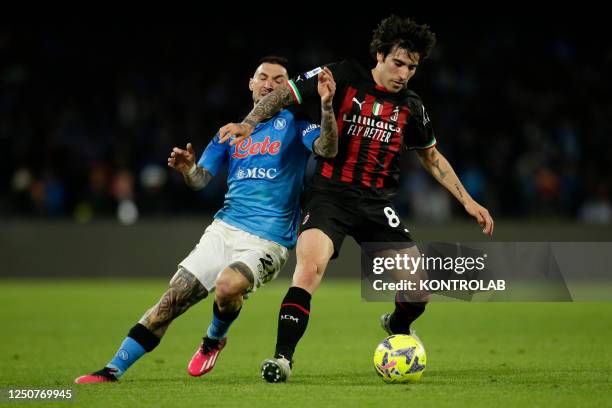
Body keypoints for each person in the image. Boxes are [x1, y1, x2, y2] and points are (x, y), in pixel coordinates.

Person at [218, 16, 494, 383]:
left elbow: (431, 157)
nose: (404, 73)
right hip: (330, 196)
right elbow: (287, 94)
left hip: (376, 204)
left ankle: (395, 323)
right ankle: (282, 359)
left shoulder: (411, 105)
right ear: (379, 55)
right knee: (309, 269)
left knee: (419, 291)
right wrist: (249, 124)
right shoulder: (342, 74)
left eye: (412, 67)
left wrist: (467, 201)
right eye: (398, 63)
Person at [74, 56, 338, 383]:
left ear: (289, 88)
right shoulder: (228, 133)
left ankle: (213, 339)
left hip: (268, 240)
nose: (270, 84)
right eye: (263, 77)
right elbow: (201, 182)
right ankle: (113, 369)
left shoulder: (297, 126)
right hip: (223, 230)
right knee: (171, 302)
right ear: (251, 84)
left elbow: (327, 148)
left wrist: (326, 107)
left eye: (279, 80)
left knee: (228, 286)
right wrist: (188, 170)